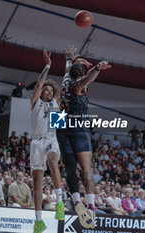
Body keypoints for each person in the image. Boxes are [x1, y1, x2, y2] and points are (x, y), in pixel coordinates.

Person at [57, 45, 111, 229]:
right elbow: (87, 78)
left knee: (71, 168)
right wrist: (97, 68)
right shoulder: (78, 85)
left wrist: (70, 58)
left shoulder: (65, 80)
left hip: (62, 126)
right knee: (86, 169)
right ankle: (91, 205)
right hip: (78, 128)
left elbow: (67, 70)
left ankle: (76, 202)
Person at [30, 50, 65, 233]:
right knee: (37, 182)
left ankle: (59, 202)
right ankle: (38, 222)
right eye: (47, 89)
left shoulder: (55, 104)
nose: (49, 91)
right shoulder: (36, 102)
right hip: (36, 142)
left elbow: (64, 85)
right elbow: (38, 84)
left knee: (52, 162)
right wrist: (48, 66)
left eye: (51, 90)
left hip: (51, 139)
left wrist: (70, 63)